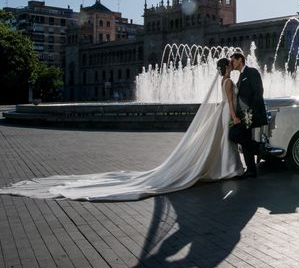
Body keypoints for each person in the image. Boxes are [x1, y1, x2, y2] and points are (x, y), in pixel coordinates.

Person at [0, 57, 245, 201]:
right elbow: (230, 102)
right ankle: (227, 168)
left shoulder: (224, 80)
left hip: (221, 114)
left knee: (216, 144)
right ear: (226, 68)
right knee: (220, 144)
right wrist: (234, 116)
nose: (232, 67)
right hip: (225, 114)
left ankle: (226, 168)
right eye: (231, 65)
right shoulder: (227, 81)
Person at [229, 51, 268, 178]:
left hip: (252, 114)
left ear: (240, 59)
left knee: (234, 134)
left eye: (233, 60)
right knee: (244, 140)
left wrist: (251, 112)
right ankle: (252, 168)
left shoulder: (251, 72)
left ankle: (258, 151)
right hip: (244, 115)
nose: (232, 63)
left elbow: (258, 92)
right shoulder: (240, 76)